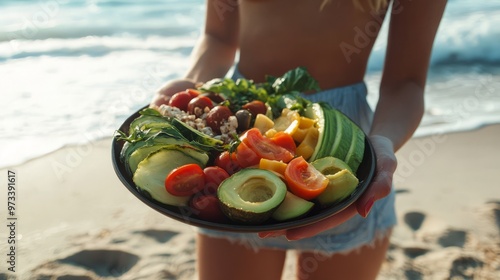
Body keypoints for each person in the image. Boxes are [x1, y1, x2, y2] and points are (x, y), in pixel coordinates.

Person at [151, 0, 447, 279]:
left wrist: (383, 141)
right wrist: (191, 84)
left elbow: (405, 83)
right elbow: (218, 37)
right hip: (238, 135)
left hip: (340, 140)